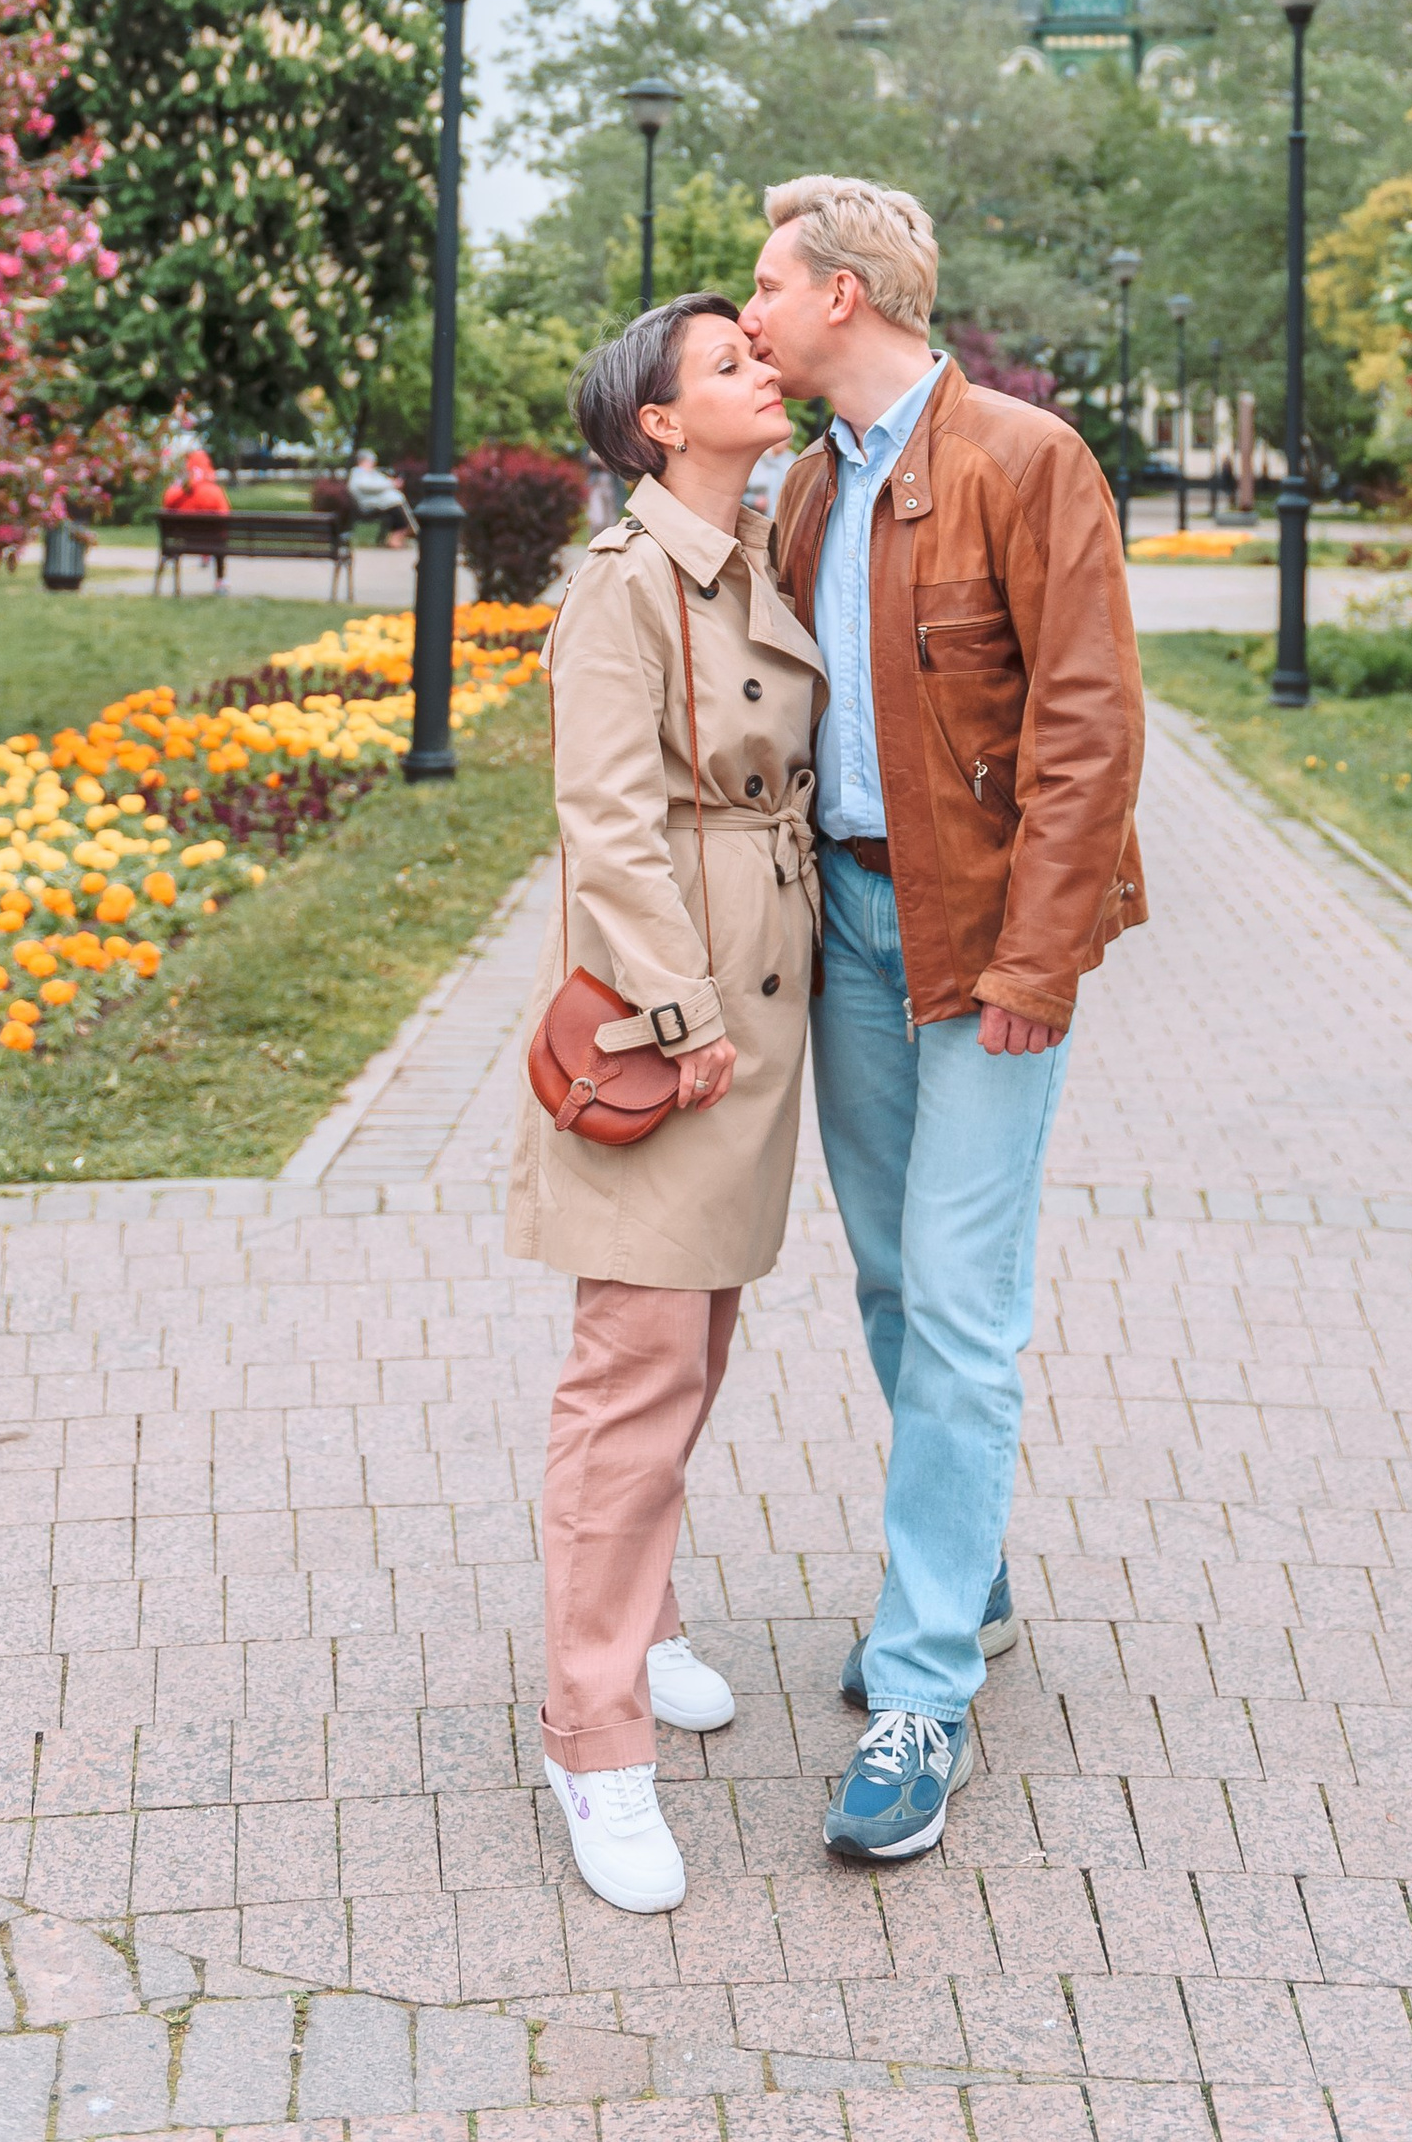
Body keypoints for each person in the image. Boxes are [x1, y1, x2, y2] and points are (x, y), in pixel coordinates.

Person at [743, 175, 1146, 1866]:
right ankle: (964, 1576)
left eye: (766, 283)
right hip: (844, 926)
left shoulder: (1027, 462)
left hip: (984, 941)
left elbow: (1088, 730)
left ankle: (921, 1693)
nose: (747, 311)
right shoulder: (806, 486)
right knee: (895, 1275)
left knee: (966, 1299)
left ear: (845, 294)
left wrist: (1039, 965)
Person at [505, 292, 825, 1917]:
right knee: (632, 1370)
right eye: (727, 363)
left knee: (694, 1343)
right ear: (655, 425)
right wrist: (683, 1011)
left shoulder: (757, 547)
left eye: (756, 349)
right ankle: (592, 1733)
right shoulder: (625, 587)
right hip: (673, 1013)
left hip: (755, 1000)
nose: (762, 368)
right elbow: (606, 824)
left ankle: (651, 1623)